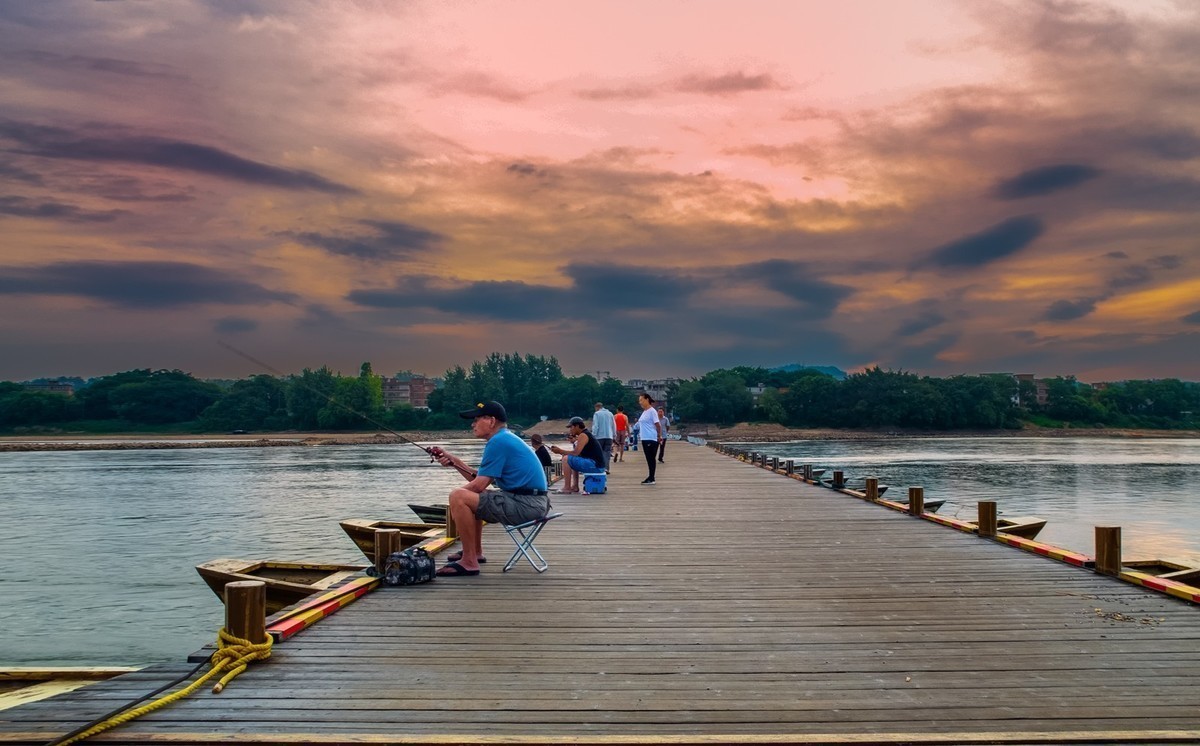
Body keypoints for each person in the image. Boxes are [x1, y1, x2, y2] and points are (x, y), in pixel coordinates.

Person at [427, 401, 548, 577]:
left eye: (476, 420)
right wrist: (454, 461)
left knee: (459, 496)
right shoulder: (503, 439)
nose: (472, 424)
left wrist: (456, 499)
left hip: (527, 505)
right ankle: (474, 552)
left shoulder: (498, 442)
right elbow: (480, 481)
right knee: (472, 495)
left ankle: (469, 562)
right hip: (531, 502)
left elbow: (478, 485)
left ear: (491, 421)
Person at [549, 416, 604, 494]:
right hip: (598, 466)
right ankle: (575, 486)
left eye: (571, 427)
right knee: (572, 458)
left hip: (595, 466)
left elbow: (575, 452)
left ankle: (567, 488)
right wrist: (561, 451)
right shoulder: (585, 434)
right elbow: (577, 454)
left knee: (565, 459)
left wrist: (560, 451)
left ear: (577, 426)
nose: (570, 430)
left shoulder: (583, 435)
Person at [635, 392, 662, 484]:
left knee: (651, 458)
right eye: (639, 401)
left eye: (641, 400)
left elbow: (658, 425)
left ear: (647, 399)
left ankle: (652, 478)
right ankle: (650, 476)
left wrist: (659, 436)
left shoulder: (652, 411)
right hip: (644, 438)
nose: (640, 402)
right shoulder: (645, 412)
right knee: (648, 458)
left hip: (650, 438)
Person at [590, 402, 616, 473]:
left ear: (597, 407)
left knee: (599, 453)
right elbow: (613, 425)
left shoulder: (597, 414)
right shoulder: (610, 414)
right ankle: (606, 468)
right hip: (609, 436)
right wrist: (614, 435)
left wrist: (593, 435)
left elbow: (596, 426)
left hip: (599, 436)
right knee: (607, 453)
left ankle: (600, 467)